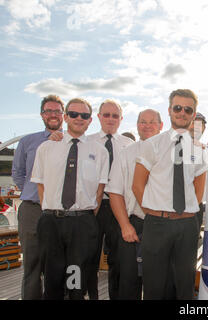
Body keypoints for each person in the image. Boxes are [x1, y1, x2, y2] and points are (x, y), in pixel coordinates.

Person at [132, 89, 207, 300]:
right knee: (154, 287)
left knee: (184, 287)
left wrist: (188, 213)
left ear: (193, 114)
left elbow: (199, 188)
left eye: (188, 109)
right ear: (169, 110)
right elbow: (137, 185)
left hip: (187, 226)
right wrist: (153, 212)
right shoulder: (151, 145)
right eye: (178, 108)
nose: (182, 112)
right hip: (157, 224)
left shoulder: (199, 150)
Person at [31, 98, 109, 299]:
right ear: (65, 117)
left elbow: (99, 192)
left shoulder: (99, 152)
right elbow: (41, 185)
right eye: (73, 114)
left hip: (82, 223)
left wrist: (85, 217)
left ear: (90, 120)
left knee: (76, 279)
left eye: (84, 115)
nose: (78, 118)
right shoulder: (46, 148)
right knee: (52, 278)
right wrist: (51, 213)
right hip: (51, 222)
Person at [106, 109, 163, 299]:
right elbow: (114, 192)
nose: (147, 126)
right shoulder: (126, 154)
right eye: (142, 122)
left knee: (159, 285)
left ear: (161, 125)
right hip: (134, 225)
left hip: (164, 226)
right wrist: (125, 225)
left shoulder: (173, 153)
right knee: (129, 284)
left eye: (152, 122)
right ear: (137, 125)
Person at [11, 94, 64, 299]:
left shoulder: (73, 140)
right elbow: (18, 173)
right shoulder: (27, 142)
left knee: (62, 265)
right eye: (48, 111)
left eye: (57, 111)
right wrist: (33, 192)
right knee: (32, 266)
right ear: (42, 114)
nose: (53, 114)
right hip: (32, 210)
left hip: (62, 212)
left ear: (63, 114)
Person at [87, 99, 134, 300]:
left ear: (121, 119)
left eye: (115, 115)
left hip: (119, 206)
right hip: (93, 207)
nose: (110, 119)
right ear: (98, 117)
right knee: (89, 257)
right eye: (106, 115)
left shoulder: (129, 145)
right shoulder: (86, 142)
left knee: (118, 260)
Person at [188, 112, 207, 230]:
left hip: (198, 208)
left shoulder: (206, 150)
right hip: (182, 209)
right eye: (193, 124)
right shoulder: (176, 148)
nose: (196, 128)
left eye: (200, 125)